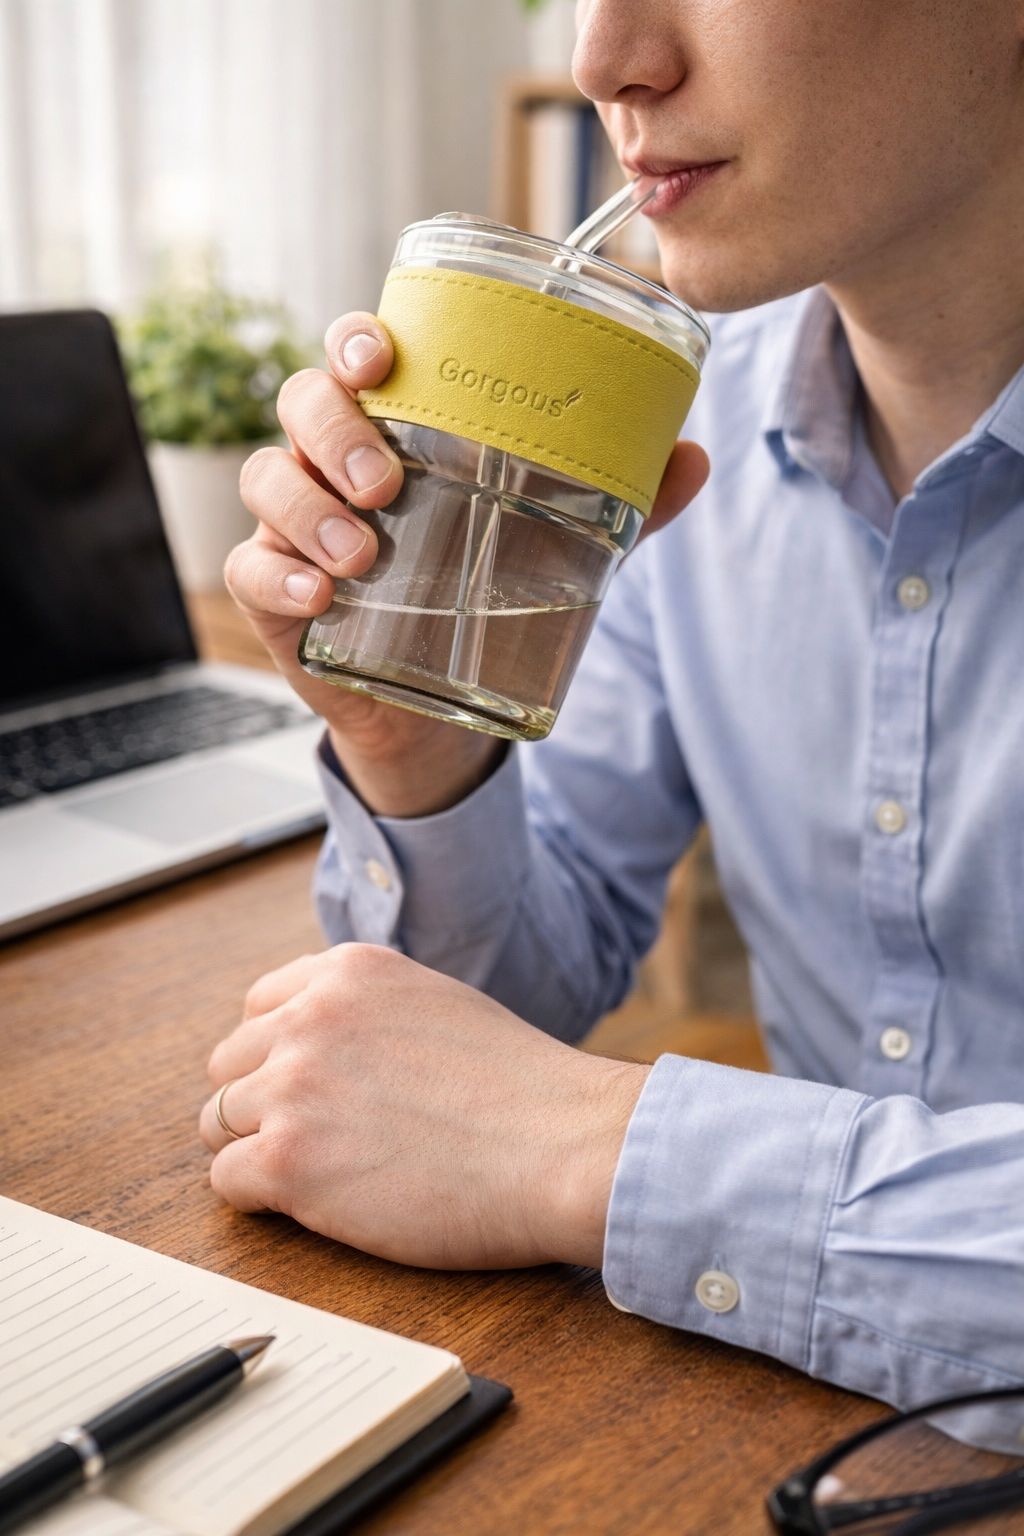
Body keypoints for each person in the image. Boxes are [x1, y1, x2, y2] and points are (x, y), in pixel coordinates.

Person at [199, 0, 1024, 1410]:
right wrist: (417, 748)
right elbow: (499, 1013)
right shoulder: (676, 423)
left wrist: (597, 1148)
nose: (602, 60)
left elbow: (514, 1122)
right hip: (799, 1419)